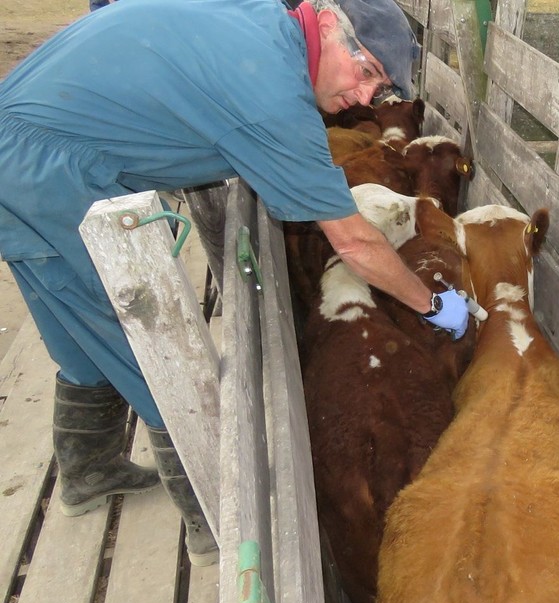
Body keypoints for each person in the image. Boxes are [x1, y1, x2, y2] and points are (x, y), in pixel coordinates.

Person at [0, 0, 465, 566]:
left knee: (65, 307)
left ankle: (87, 468)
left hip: (25, 131)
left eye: (381, 86)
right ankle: (214, 523)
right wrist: (434, 303)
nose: (366, 98)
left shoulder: (262, 20)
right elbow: (355, 241)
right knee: (137, 330)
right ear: (325, 25)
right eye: (365, 70)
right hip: (44, 163)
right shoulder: (272, 94)